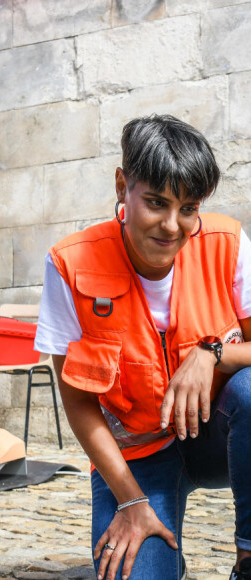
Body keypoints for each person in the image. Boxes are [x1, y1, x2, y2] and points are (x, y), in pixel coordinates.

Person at [35, 114, 251, 580]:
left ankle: (248, 557)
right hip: (137, 458)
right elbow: (77, 399)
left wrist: (212, 353)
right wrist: (131, 501)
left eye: (188, 208)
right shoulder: (69, 264)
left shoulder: (227, 244)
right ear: (122, 187)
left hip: (218, 435)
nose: (173, 226)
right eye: (156, 203)